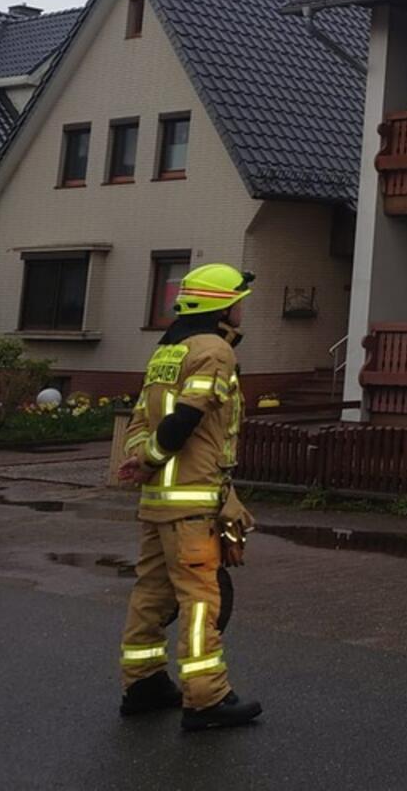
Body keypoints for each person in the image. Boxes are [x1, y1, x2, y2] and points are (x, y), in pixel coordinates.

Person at [116, 263, 262, 730]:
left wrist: (141, 461)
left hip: (158, 502)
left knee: (151, 595)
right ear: (221, 305)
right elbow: (185, 421)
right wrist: (156, 457)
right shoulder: (215, 351)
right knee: (202, 600)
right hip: (192, 504)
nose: (242, 307)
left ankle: (143, 683)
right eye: (238, 300)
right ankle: (206, 699)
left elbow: (141, 420)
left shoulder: (167, 352)